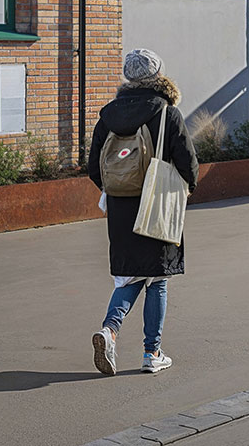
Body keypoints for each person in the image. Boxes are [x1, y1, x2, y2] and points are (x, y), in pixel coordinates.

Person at [87, 49, 198, 377]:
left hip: (120, 206)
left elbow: (95, 166)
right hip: (158, 200)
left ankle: (109, 332)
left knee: (129, 275)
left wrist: (118, 190)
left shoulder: (107, 115)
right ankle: (152, 353)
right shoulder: (165, 112)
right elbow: (187, 160)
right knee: (157, 279)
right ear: (158, 75)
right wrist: (187, 187)